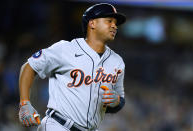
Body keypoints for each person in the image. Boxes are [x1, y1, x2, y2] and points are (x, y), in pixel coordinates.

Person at [18, 3, 126, 131]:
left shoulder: (117, 62)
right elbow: (30, 66)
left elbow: (119, 100)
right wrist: (24, 103)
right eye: (109, 21)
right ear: (92, 24)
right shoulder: (66, 49)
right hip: (59, 125)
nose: (114, 26)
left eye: (115, 23)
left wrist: (117, 101)